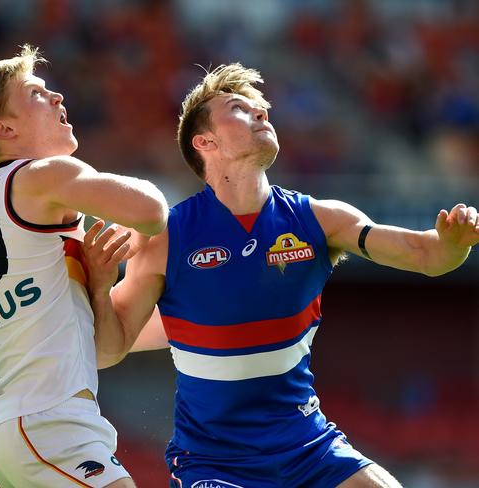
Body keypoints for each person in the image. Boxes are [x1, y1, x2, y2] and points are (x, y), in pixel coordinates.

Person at [84, 63, 479, 488]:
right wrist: (101, 286)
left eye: (261, 109)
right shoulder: (167, 237)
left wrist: (454, 244)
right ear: (205, 142)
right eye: (240, 108)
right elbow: (107, 350)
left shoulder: (321, 219)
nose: (261, 114)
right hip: (215, 462)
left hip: (309, 448)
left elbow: (426, 255)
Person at [0, 45, 168, 488]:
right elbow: (152, 210)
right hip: (46, 422)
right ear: (4, 128)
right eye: (36, 93)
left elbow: (105, 352)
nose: (58, 97)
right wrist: (151, 237)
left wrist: (100, 289)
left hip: (36, 424)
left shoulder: (12, 198)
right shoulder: (41, 175)